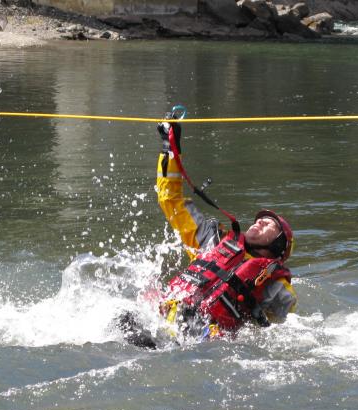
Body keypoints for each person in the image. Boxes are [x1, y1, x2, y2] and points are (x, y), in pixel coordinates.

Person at [119, 112, 297, 347]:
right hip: (162, 322)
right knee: (123, 320)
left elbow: (282, 332)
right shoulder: (212, 240)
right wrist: (169, 148)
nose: (259, 222)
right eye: (259, 219)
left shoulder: (277, 286)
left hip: (202, 339)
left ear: (278, 246)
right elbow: (171, 200)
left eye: (270, 225)